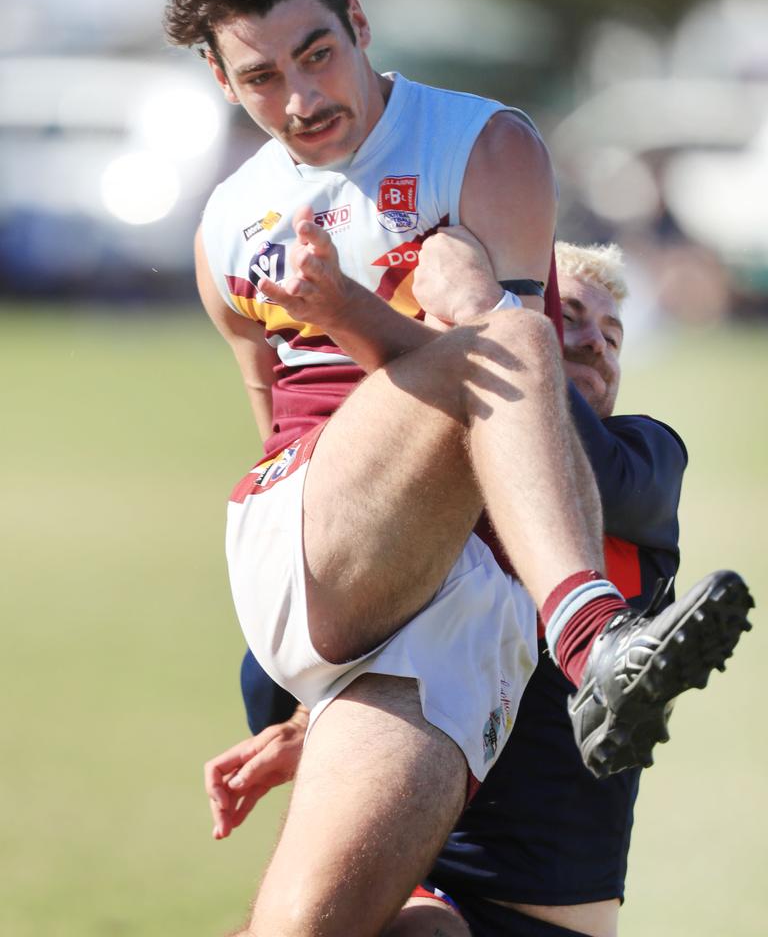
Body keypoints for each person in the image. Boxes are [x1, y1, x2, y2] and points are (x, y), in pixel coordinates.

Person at [164, 0, 752, 932]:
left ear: (358, 21)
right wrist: (357, 314)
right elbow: (289, 447)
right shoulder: (228, 227)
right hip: (322, 548)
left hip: (455, 613)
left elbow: (510, 429)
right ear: (223, 83)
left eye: (317, 55)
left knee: (340, 926)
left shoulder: (484, 146)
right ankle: (595, 643)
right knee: (506, 338)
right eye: (261, 77)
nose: (301, 100)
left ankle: (584, 650)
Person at [209, 241, 695, 937]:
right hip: (425, 888)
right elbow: (272, 670)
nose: (595, 344)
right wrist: (298, 726)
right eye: (573, 320)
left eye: (613, 336)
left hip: (560, 918)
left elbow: (569, 448)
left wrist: (486, 317)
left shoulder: (643, 459)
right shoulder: (423, 516)